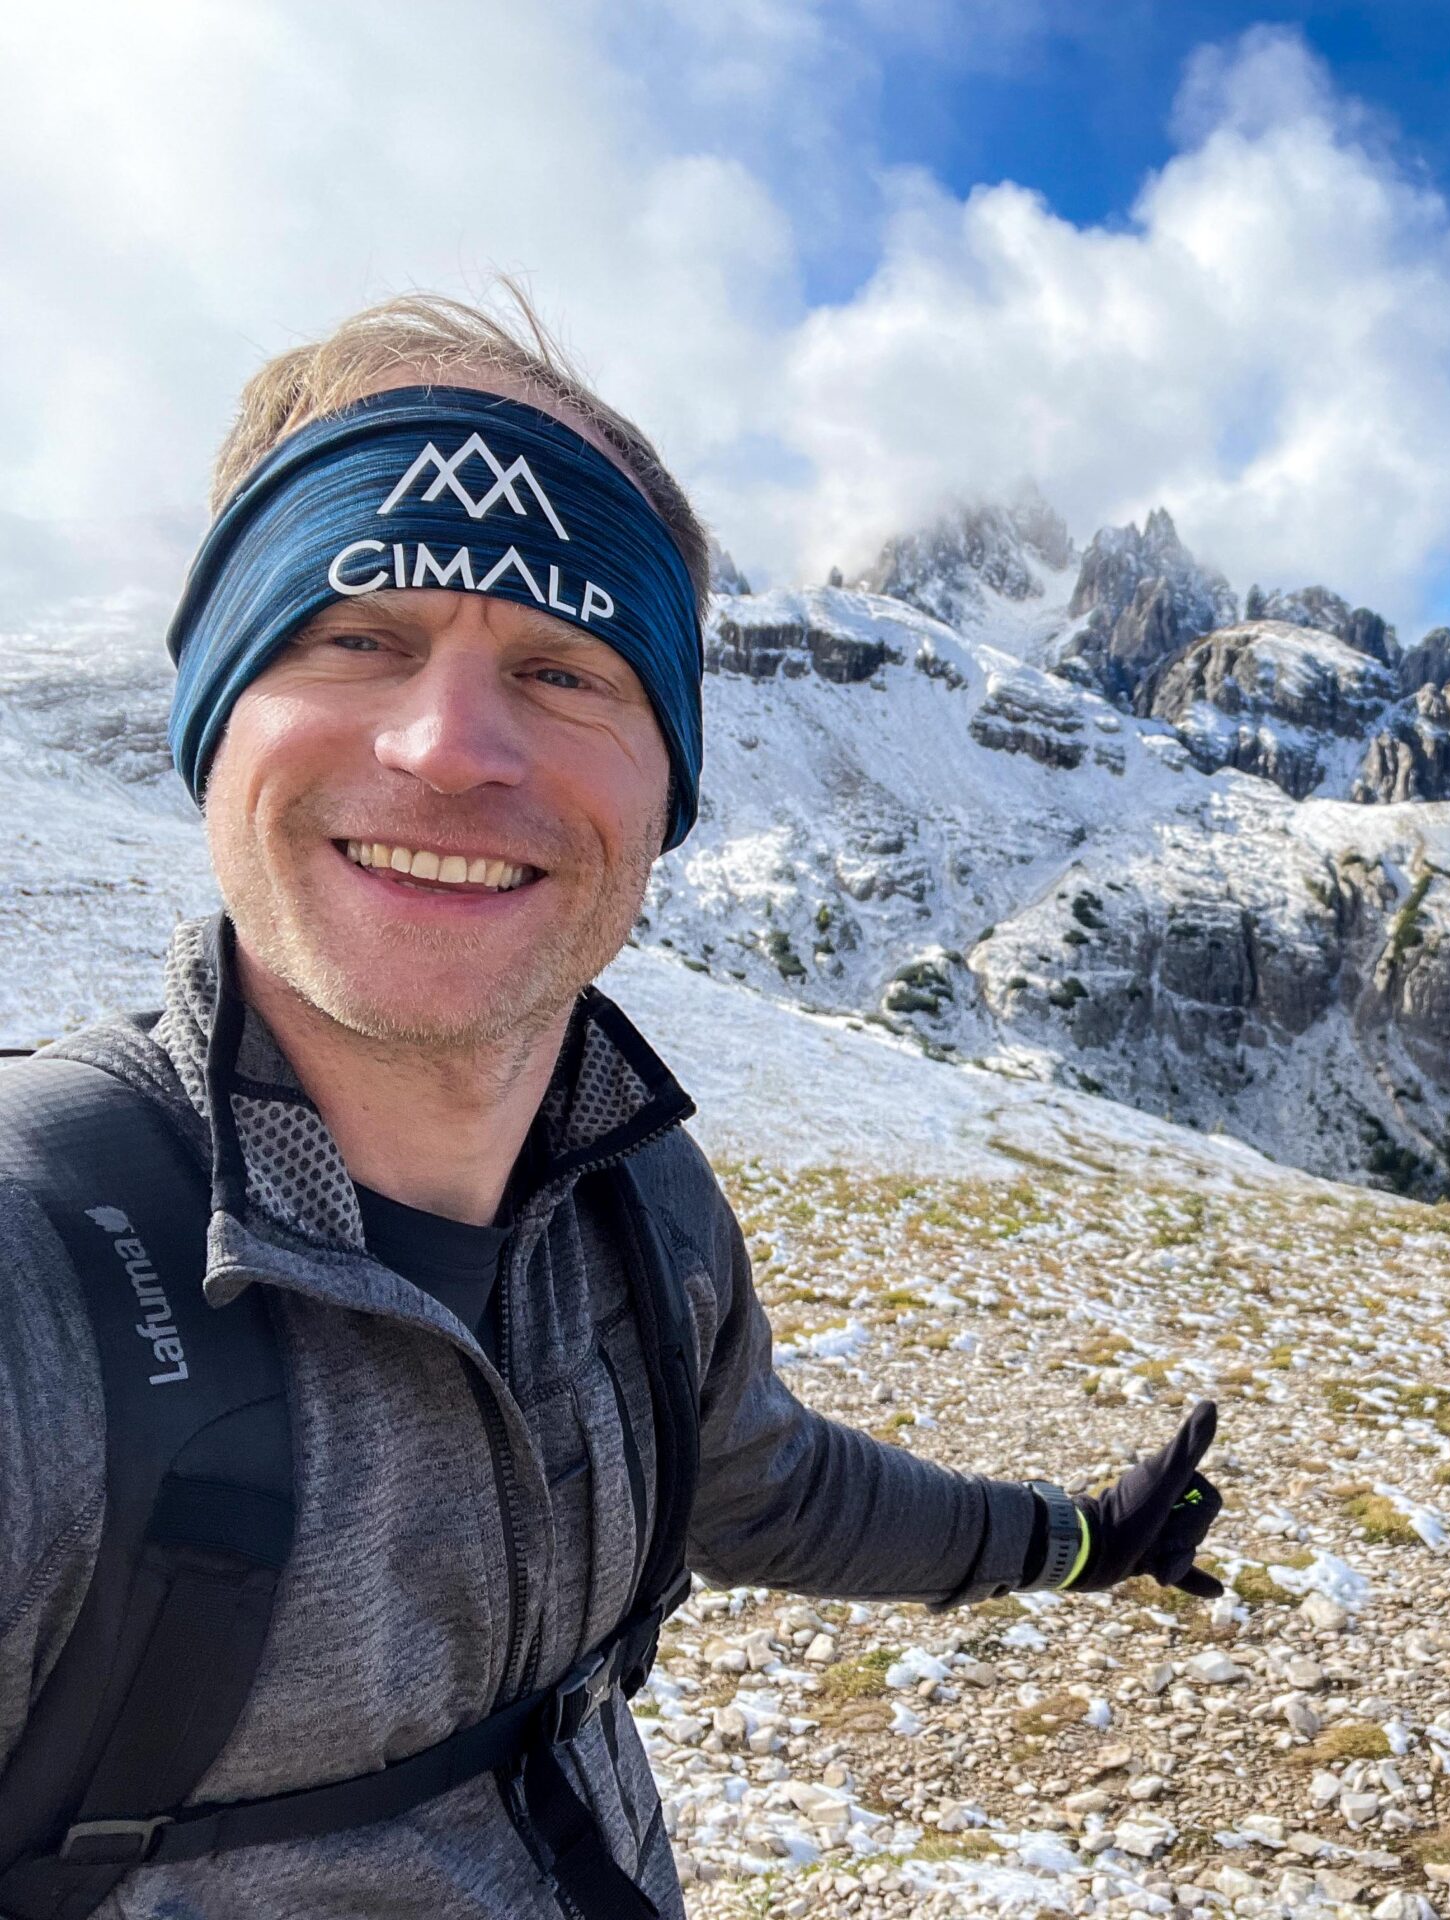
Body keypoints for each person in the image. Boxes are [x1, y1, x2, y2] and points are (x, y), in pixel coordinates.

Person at [0, 292, 1225, 1918]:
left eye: (564, 661)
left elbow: (764, 1487)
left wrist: (1076, 1540)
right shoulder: (37, 1279)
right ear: (214, 716)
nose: (448, 749)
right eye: (353, 633)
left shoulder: (638, 1205)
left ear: (669, 782)